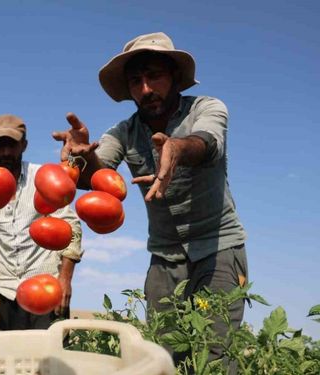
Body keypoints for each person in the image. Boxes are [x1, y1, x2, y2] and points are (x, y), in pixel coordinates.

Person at [53, 32, 248, 370]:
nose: (146, 89)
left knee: (217, 356)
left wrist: (177, 148)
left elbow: (208, 143)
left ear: (174, 77)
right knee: (162, 356)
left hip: (218, 248)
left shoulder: (207, 108)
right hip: (164, 256)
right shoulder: (123, 132)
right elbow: (97, 179)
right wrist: (79, 160)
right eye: (136, 80)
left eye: (154, 76)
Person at [0, 114, 83, 330]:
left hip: (46, 289)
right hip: (3, 292)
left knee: (50, 359)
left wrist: (65, 279)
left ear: (24, 145)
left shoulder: (43, 177)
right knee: (0, 360)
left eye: (12, 145)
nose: (5, 152)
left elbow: (71, 227)